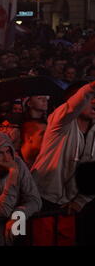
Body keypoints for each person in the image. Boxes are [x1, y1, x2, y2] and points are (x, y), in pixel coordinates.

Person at [31, 81, 95, 245]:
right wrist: (90, 88)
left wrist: (80, 202)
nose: (94, 102)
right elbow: (71, 108)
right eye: (90, 98)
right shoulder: (60, 122)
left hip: (70, 206)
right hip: (42, 200)